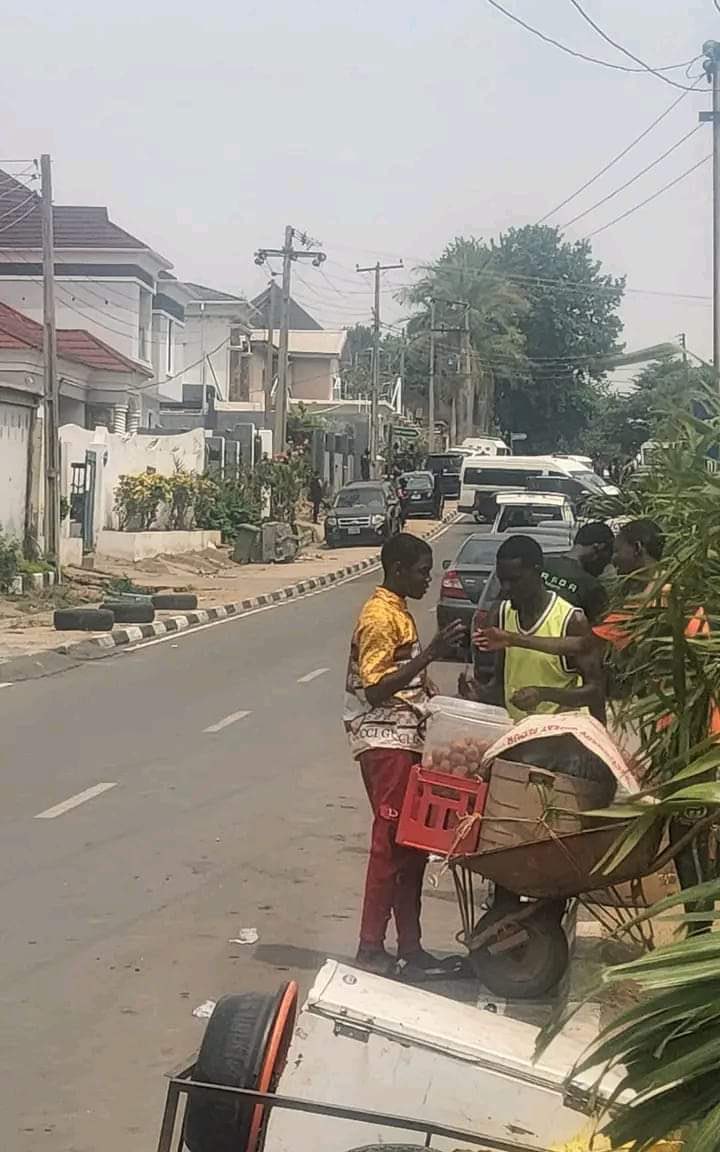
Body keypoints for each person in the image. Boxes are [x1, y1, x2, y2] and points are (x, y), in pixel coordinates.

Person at [344, 533, 465, 976]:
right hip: (384, 739)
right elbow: (375, 689)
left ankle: (409, 949)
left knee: (411, 846)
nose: (427, 579)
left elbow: (406, 679)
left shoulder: (401, 613)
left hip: (406, 736)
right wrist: (432, 654)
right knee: (389, 845)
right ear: (397, 569)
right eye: (421, 571)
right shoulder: (379, 617)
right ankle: (371, 946)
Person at [461, 534, 605, 723]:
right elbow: (501, 685)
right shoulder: (502, 615)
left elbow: (594, 691)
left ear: (537, 572)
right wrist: (479, 695)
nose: (506, 588)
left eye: (514, 580)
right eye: (502, 580)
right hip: (518, 734)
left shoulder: (570, 621)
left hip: (561, 736)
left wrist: (544, 694)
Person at [543, 521, 614, 624]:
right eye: (609, 555)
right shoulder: (592, 587)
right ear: (599, 548)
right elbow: (600, 630)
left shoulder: (540, 564)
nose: (607, 564)